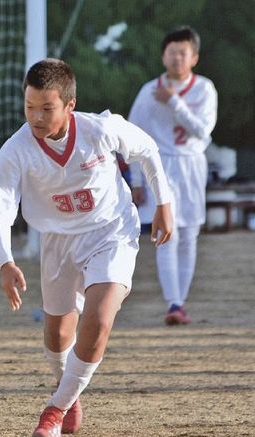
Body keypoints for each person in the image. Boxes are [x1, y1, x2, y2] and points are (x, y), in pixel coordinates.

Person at [0, 59, 174, 437]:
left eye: (47, 108)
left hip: (111, 232)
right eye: (29, 107)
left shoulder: (100, 129)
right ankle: (68, 390)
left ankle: (54, 410)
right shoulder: (15, 150)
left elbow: (148, 149)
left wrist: (164, 202)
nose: (36, 117)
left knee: (100, 319)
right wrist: (5, 261)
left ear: (70, 105)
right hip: (57, 242)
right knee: (57, 336)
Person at [128, 26, 218, 326]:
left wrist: (174, 101)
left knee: (189, 234)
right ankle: (174, 304)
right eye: (172, 52)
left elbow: (202, 130)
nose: (177, 58)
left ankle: (181, 300)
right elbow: (133, 137)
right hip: (160, 166)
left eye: (183, 53)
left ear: (194, 57)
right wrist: (136, 181)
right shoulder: (148, 91)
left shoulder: (204, 89)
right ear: (163, 56)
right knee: (167, 234)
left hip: (191, 164)